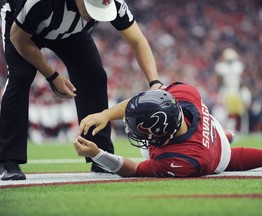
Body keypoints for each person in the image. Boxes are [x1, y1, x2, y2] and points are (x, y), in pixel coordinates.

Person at [0, 0, 162, 180]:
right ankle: (8, 161)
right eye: (93, 8)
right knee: (20, 76)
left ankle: (100, 155)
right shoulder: (41, 2)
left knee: (94, 76)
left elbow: (137, 40)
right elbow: (18, 38)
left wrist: (154, 82)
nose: (95, 15)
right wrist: (52, 75)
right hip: (21, 28)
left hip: (71, 33)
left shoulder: (115, 3)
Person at [74, 82, 262, 178]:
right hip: (208, 126)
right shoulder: (186, 93)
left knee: (145, 152)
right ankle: (228, 136)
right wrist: (105, 115)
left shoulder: (181, 160)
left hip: (214, 156)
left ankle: (229, 137)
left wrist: (97, 154)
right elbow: (145, 101)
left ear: (162, 135)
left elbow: (132, 169)